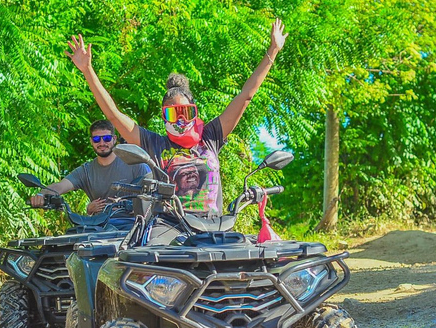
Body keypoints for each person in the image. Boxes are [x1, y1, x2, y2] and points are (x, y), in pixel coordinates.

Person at [66, 18, 288, 216]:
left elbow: (245, 96)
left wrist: (273, 51)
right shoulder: (154, 143)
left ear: (194, 111)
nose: (180, 120)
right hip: (169, 232)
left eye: (185, 112)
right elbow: (114, 116)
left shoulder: (210, 137)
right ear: (164, 116)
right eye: (172, 113)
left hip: (213, 229)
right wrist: (87, 70)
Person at [30, 120, 150, 215]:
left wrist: (133, 206)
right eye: (97, 139)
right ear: (91, 141)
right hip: (97, 229)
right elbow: (60, 186)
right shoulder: (86, 171)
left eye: (106, 138)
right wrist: (42, 194)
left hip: (132, 228)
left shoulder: (135, 163)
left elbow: (152, 194)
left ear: (114, 139)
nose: (102, 143)